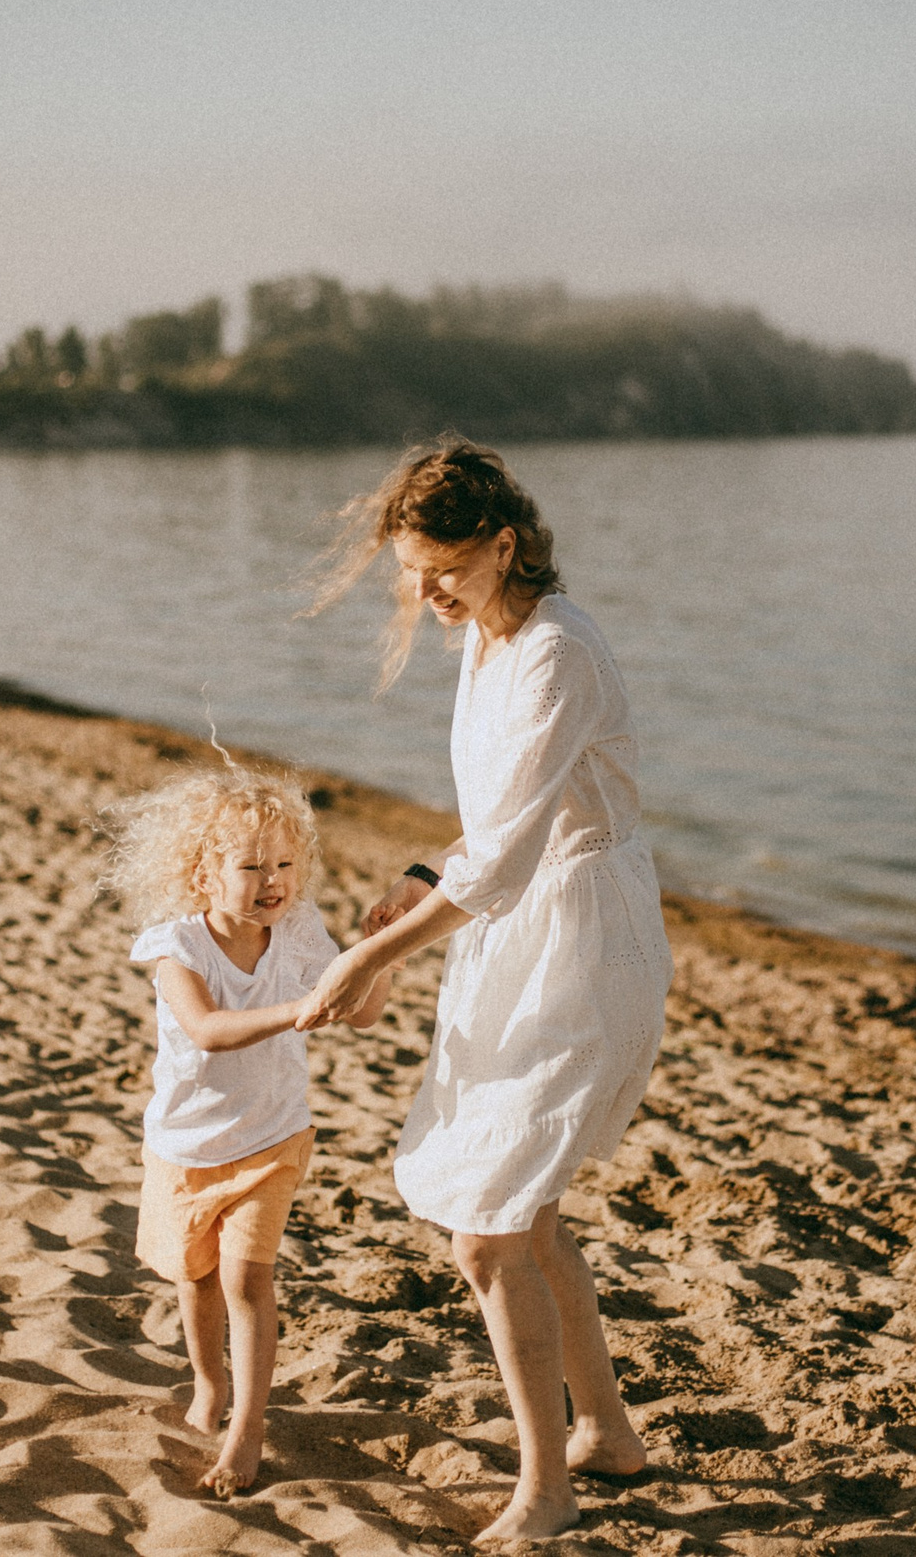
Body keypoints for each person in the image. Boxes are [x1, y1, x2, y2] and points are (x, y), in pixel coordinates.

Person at [298, 437, 672, 1543]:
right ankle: (607, 1435)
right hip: (520, 929)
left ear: (504, 545)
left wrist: (372, 959)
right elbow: (501, 819)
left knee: (490, 1233)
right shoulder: (487, 636)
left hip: (582, 939)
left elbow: (510, 861)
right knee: (528, 1215)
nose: (428, 596)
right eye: (413, 575)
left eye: (445, 571)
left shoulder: (557, 651)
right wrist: (422, 875)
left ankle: (546, 1491)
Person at [108, 764, 376, 1496]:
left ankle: (247, 1426)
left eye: (285, 864)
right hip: (186, 1144)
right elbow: (208, 1029)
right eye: (252, 866)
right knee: (195, 1279)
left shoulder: (299, 930)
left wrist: (374, 955)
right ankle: (209, 1383)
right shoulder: (176, 947)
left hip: (272, 1137)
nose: (273, 882)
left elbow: (364, 1011)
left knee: (246, 1277)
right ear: (203, 876)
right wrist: (297, 1011)